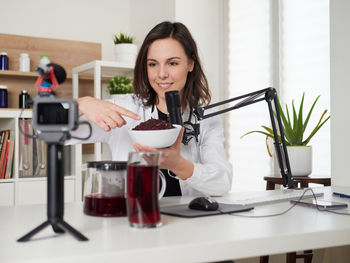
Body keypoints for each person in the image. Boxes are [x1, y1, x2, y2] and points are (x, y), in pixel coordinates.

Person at [71, 21, 232, 197]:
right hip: (135, 219)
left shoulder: (206, 117)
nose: (161, 74)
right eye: (153, 64)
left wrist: (178, 165)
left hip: (189, 221)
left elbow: (222, 183)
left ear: (190, 64)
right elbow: (49, 132)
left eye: (172, 63)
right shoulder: (125, 109)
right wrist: (80, 105)